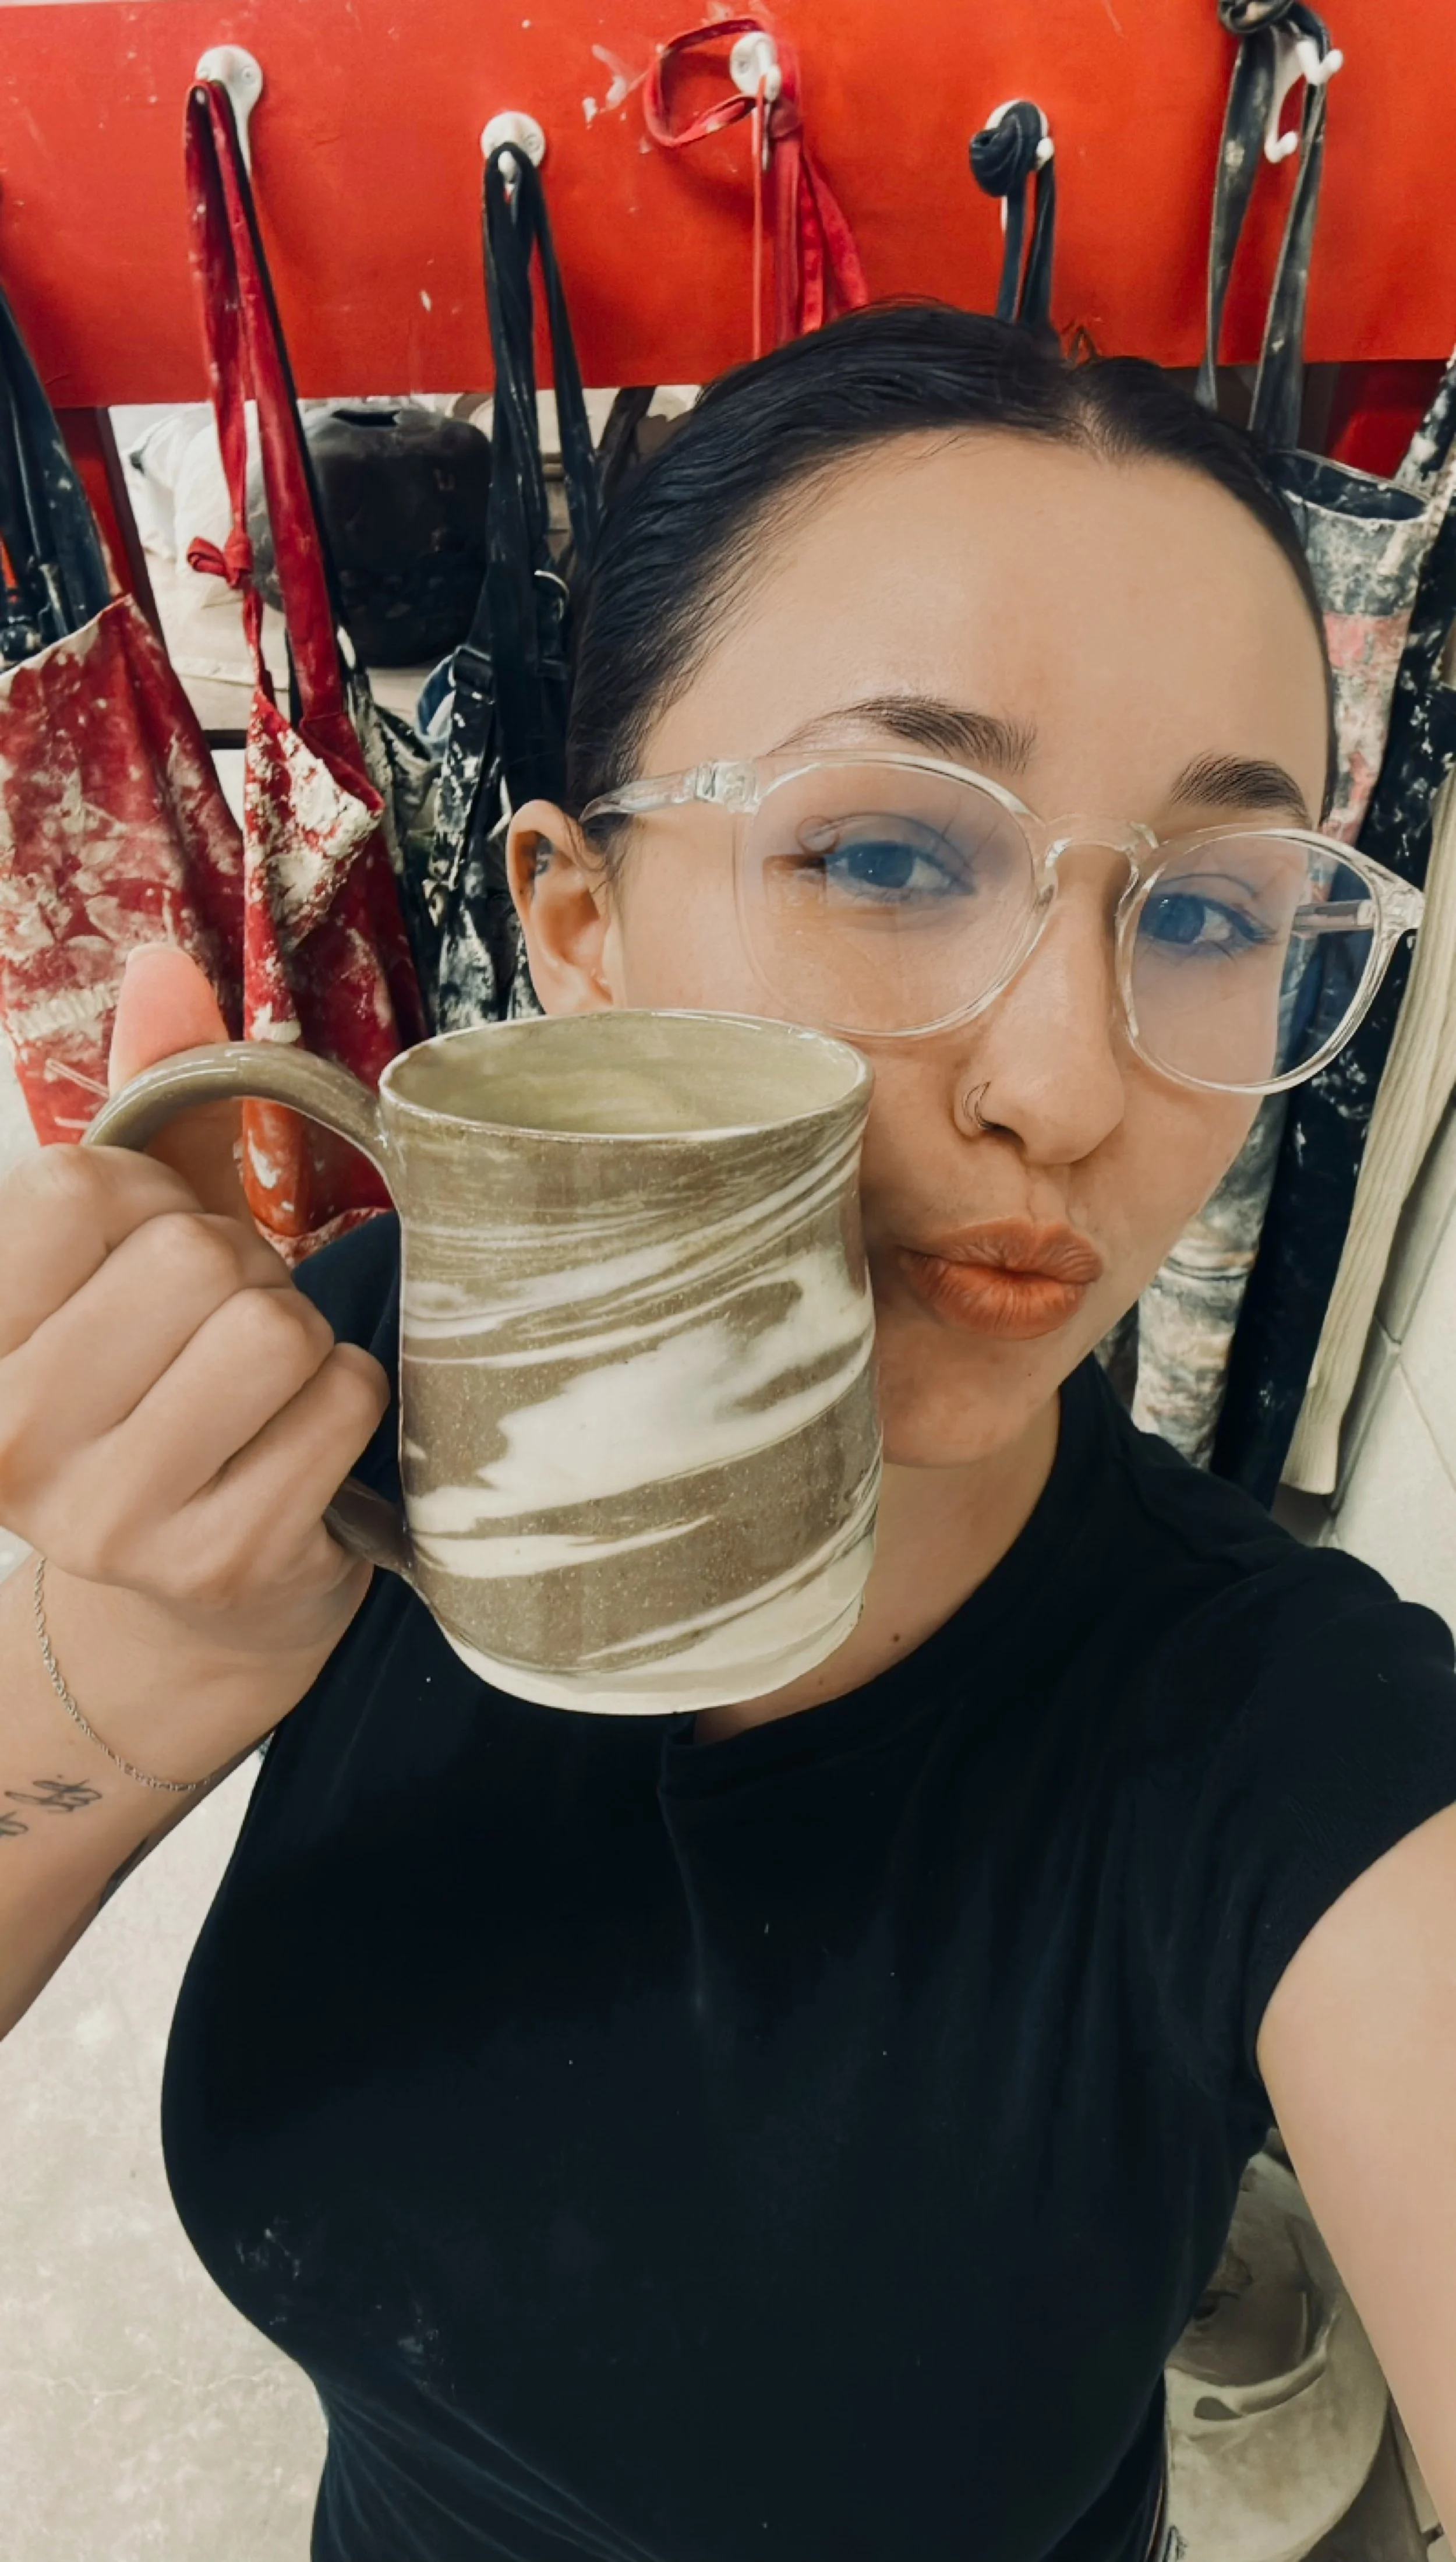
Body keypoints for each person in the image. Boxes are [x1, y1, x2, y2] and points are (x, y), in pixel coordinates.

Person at [1, 304, 1454, 2562]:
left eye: (1205, 910)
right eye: (886, 857)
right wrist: (145, 1665)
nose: (1067, 1089)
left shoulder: (1283, 1737)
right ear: (579, 928)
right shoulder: (368, 1387)